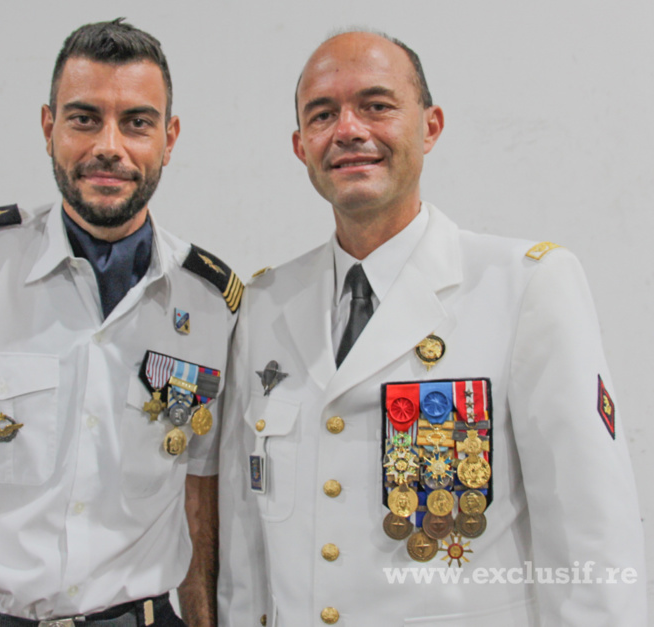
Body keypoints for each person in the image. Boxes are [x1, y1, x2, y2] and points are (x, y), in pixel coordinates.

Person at [218, 30, 646, 626]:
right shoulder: (266, 304)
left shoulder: (524, 287)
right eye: (322, 115)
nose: (348, 130)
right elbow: (244, 551)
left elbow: (593, 542)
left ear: (430, 126)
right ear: (300, 146)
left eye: (376, 105)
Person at [0, 19, 240, 627]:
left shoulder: (210, 301)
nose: (109, 146)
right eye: (84, 118)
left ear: (169, 138)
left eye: (136, 122)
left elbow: (199, 494)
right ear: (48, 128)